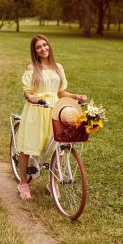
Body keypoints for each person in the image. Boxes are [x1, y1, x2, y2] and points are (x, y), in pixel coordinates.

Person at [16, 34, 87, 199]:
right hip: (37, 107)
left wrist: (76, 96)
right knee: (28, 146)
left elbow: (60, 92)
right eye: (39, 47)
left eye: (45, 45)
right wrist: (31, 97)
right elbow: (27, 91)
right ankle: (24, 183)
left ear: (49, 46)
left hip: (55, 108)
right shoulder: (32, 68)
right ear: (35, 51)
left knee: (59, 146)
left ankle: (53, 183)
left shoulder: (58, 67)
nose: (43, 49)